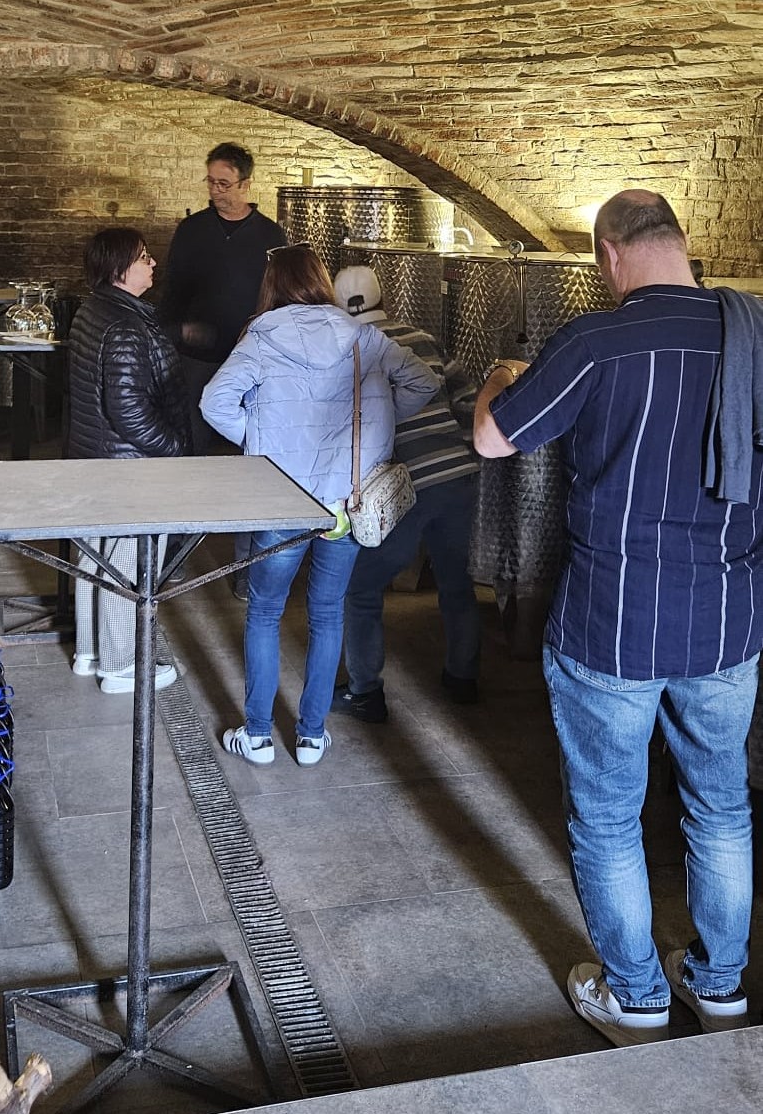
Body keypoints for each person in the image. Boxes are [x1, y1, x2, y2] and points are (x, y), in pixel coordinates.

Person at [473, 190, 763, 1049]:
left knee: (607, 817)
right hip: (726, 620)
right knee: (721, 809)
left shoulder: (597, 340)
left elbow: (493, 439)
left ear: (607, 254)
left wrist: (500, 378)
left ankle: (636, 996)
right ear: (681, 240)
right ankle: (719, 986)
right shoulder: (754, 334)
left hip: (614, 622)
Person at [200, 244, 438, 767]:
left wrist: (261, 442)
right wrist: (375, 429)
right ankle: (311, 737)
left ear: (271, 285)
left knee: (265, 612)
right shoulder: (363, 338)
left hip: (282, 500)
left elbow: (213, 402)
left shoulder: (259, 338)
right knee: (327, 614)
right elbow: (424, 381)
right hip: (345, 503)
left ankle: (257, 736)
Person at [330, 266, 482, 718]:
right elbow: (469, 400)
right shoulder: (423, 339)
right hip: (455, 475)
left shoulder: (343, 349)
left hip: (398, 487)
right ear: (384, 298)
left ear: (335, 306)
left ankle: (366, 692)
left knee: (362, 588)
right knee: (457, 583)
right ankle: (462, 679)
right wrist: (458, 449)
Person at [68, 227, 192, 693]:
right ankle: (120, 666)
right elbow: (129, 411)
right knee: (128, 564)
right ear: (120, 269)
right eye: (143, 257)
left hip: (94, 458)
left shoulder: (95, 309)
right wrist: (175, 447)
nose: (153, 263)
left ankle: (90, 651)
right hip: (130, 468)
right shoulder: (124, 326)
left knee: (94, 556)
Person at [159, 141, 286, 598]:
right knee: (187, 455)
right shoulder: (192, 230)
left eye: (224, 184)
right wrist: (174, 334)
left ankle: (247, 569)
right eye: (211, 182)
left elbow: (280, 298)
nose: (215, 191)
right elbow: (171, 292)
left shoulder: (271, 236)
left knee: (252, 462)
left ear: (247, 184)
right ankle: (173, 554)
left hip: (250, 362)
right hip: (195, 361)